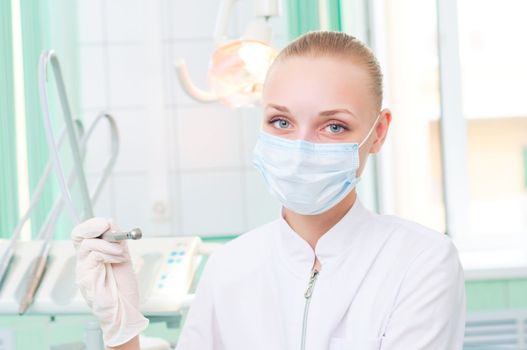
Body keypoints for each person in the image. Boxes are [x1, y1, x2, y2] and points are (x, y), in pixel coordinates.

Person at [72, 31, 466, 350]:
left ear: (377, 132)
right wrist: (123, 332)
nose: (300, 147)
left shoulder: (420, 262)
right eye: (281, 122)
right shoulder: (230, 268)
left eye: (334, 126)